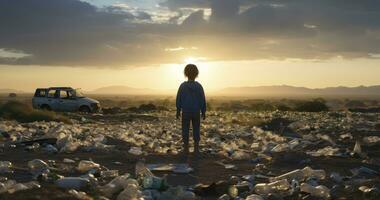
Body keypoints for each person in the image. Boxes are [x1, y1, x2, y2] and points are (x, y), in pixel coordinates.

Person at [176, 64, 206, 155]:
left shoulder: (182, 86)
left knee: (185, 129)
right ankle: (196, 149)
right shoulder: (199, 86)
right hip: (196, 111)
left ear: (185, 74)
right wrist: (203, 111)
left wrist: (178, 110)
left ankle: (186, 149)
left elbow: (179, 99)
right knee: (196, 129)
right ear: (196, 74)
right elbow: (202, 99)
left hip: (186, 112)